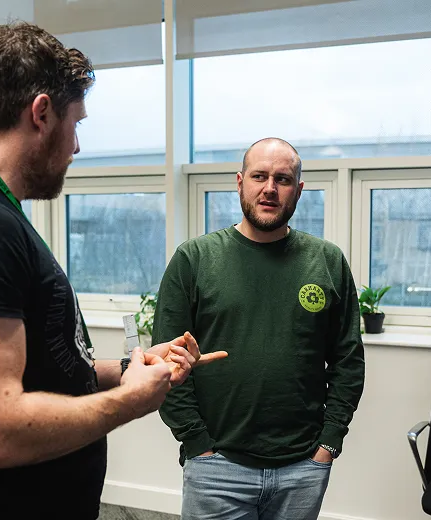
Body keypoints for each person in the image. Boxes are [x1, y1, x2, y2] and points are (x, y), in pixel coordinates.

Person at [0, 22, 222, 520]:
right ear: (41, 113)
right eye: (77, 123)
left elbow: (39, 366)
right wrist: (131, 402)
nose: (77, 147)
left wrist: (130, 369)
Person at [154, 137, 365, 520]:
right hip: (216, 467)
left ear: (298, 190)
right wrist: (196, 442)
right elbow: (166, 362)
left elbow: (348, 362)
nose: (270, 188)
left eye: (283, 179)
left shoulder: (327, 262)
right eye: (259, 176)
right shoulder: (195, 259)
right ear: (240, 182)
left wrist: (328, 444)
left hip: (303, 467)